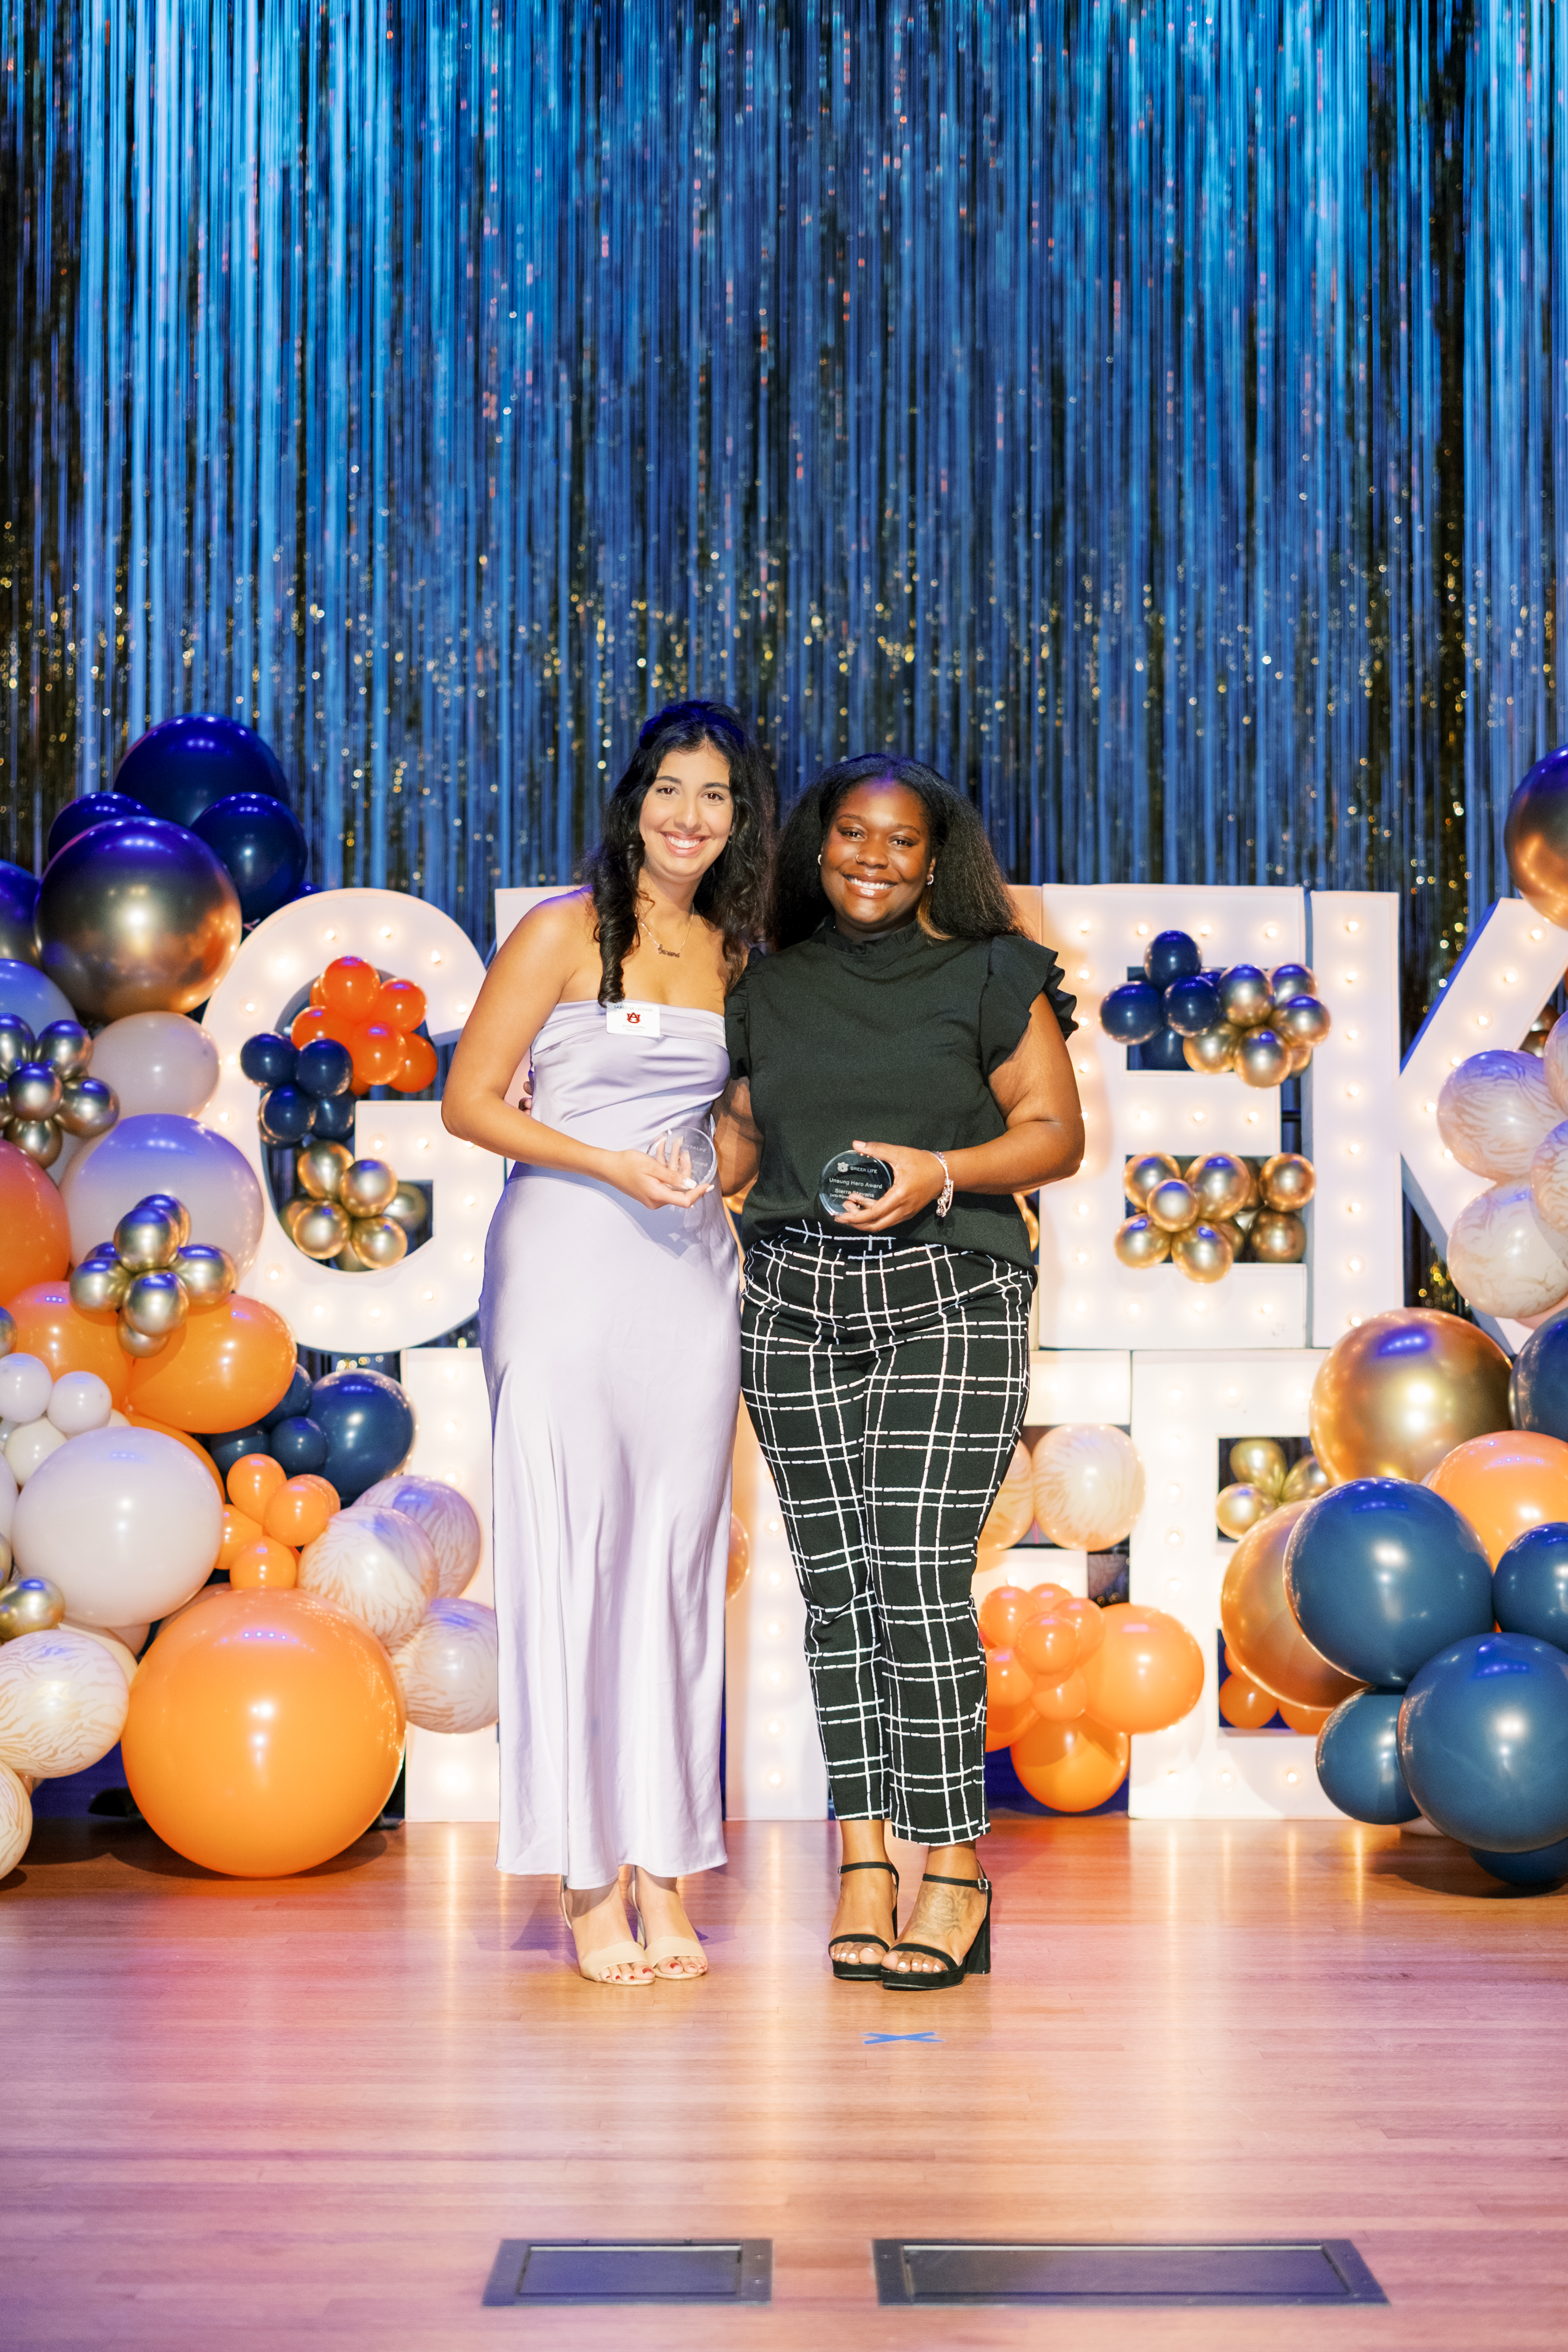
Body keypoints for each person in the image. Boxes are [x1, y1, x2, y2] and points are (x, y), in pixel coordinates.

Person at [713, 755, 1082, 1989]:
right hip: (792, 1297)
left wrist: (937, 1170)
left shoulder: (990, 970)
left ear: (936, 859)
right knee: (836, 1592)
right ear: (817, 846)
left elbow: (1054, 1133)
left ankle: (955, 1874)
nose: (873, 857)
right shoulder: (768, 987)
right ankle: (861, 1863)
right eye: (853, 835)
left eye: (902, 841)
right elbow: (743, 1141)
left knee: (919, 1581)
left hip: (954, 1284)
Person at [443, 700, 774, 1986]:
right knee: (573, 1558)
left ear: (741, 820)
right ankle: (587, 1886)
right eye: (672, 790)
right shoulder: (561, 931)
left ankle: (668, 1871)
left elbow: (741, 1129)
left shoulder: (739, 956)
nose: (690, 818)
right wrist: (603, 1163)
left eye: (719, 798)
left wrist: (714, 1165)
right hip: (566, 1264)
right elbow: (470, 1101)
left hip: (688, 1281)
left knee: (678, 1570)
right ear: (633, 797)